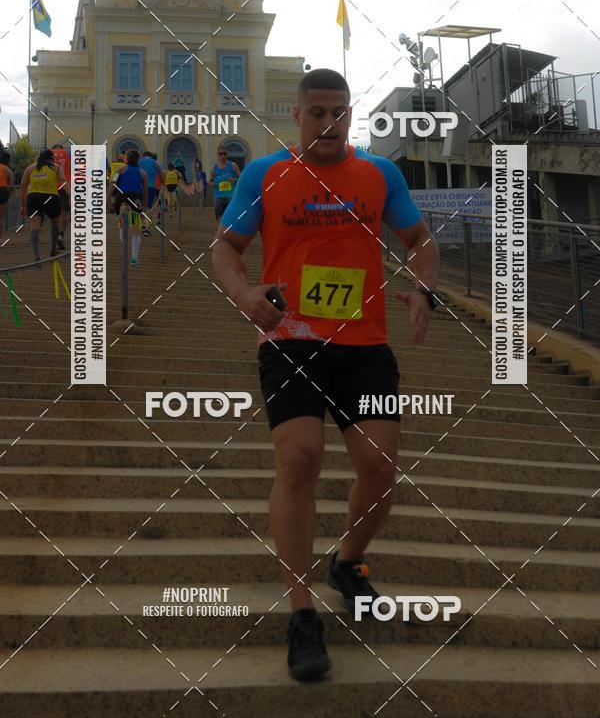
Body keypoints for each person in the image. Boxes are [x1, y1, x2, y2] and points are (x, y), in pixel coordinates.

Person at [212, 68, 440, 682]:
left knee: (379, 467)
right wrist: (244, 294)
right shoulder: (265, 175)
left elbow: (420, 238)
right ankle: (302, 611)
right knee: (299, 460)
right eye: (317, 112)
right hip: (290, 340)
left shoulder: (378, 174)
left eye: (340, 111)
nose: (329, 123)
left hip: (364, 346)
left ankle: (346, 561)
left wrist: (423, 288)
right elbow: (226, 248)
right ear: (296, 116)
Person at [20, 148, 70, 261]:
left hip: (33, 197)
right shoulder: (57, 168)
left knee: (34, 228)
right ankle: (53, 249)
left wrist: (22, 205)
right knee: (55, 223)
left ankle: (37, 256)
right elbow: (63, 182)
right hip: (51, 197)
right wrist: (71, 195)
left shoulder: (30, 168)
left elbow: (23, 185)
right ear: (52, 158)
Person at [113, 150, 148, 266]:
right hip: (135, 198)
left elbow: (113, 184)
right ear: (138, 159)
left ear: (127, 158)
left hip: (121, 198)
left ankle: (124, 248)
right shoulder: (143, 173)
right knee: (135, 229)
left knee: (122, 225)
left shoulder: (119, 170)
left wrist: (107, 198)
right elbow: (145, 192)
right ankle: (134, 258)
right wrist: (145, 206)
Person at [210, 146, 240, 221]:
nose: (222, 155)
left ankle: (228, 226)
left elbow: (241, 178)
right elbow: (210, 181)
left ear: (227, 154)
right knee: (218, 213)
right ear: (218, 155)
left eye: (224, 153)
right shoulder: (213, 168)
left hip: (230, 195)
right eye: (221, 154)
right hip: (218, 195)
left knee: (230, 214)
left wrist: (234, 180)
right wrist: (211, 183)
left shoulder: (233, 165)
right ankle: (221, 225)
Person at [51, 143, 71, 250]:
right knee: (64, 212)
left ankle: (55, 236)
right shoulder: (69, 154)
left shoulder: (48, 154)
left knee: (54, 214)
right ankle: (60, 235)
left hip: (50, 187)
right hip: (65, 186)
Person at [139, 150, 164, 235]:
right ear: (150, 156)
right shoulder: (155, 162)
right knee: (149, 206)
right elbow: (161, 175)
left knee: (141, 206)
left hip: (141, 187)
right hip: (151, 187)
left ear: (143, 156)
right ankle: (148, 228)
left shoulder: (139, 161)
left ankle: (142, 224)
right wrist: (162, 184)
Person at [0, 151, 13, 245]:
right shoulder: (8, 170)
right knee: (0, 218)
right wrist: (9, 194)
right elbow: (11, 186)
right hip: (2, 192)